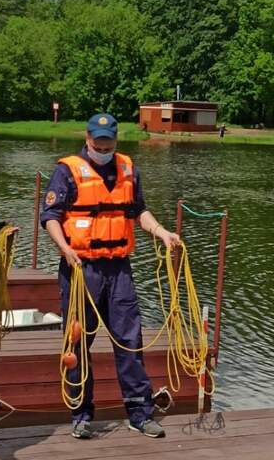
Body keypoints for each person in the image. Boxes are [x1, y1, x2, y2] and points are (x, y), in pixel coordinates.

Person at [41, 113, 180, 440]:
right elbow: (50, 216)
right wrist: (64, 248)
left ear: (116, 140)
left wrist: (161, 232)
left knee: (130, 340)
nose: (102, 147)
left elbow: (138, 211)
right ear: (87, 138)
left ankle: (140, 413)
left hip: (119, 270)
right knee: (78, 342)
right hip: (81, 269)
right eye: (97, 142)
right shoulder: (68, 170)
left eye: (108, 143)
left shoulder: (128, 168)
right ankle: (81, 413)